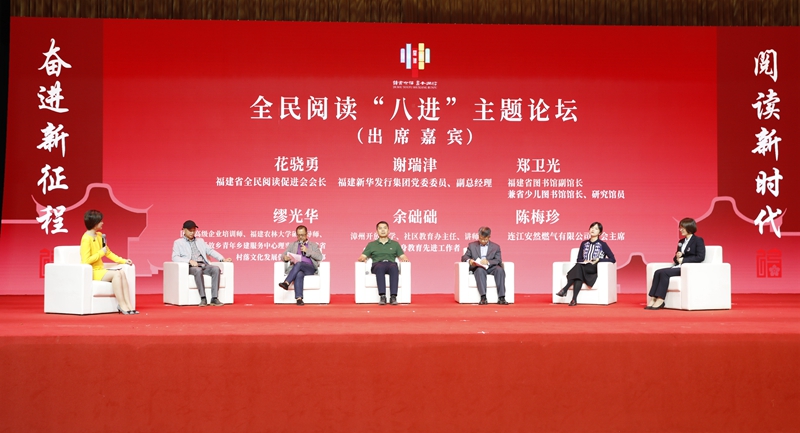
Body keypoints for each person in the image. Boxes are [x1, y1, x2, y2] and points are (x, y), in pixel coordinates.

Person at [80, 209, 136, 315]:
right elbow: (86, 261)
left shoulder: (100, 236)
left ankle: (129, 304)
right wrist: (101, 252)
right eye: (100, 221)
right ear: (94, 223)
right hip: (92, 271)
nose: (102, 223)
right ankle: (121, 304)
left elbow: (108, 253)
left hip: (100, 270)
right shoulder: (86, 239)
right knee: (117, 274)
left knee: (121, 272)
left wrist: (123, 260)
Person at [646, 217, 706, 310]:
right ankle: (653, 297)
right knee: (658, 272)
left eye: (682, 228)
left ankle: (661, 299)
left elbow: (700, 257)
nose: (680, 230)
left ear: (689, 228)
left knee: (664, 273)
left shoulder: (698, 240)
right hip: (679, 266)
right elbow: (675, 259)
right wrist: (677, 257)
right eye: (680, 227)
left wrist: (684, 260)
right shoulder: (681, 242)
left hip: (688, 268)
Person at [171, 220, 232, 307]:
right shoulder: (178, 243)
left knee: (216, 269)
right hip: (191, 266)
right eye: (190, 230)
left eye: (194, 230)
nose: (192, 232)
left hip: (203, 264)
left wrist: (222, 259)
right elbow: (175, 257)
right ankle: (203, 298)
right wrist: (189, 261)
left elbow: (210, 251)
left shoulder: (200, 241)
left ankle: (214, 298)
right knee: (198, 270)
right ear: (184, 230)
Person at [556, 222, 616, 306]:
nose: (593, 230)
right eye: (592, 228)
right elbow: (579, 259)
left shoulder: (603, 244)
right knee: (578, 276)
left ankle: (565, 289)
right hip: (583, 266)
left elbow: (612, 259)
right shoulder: (584, 243)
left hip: (593, 268)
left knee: (578, 267)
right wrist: (585, 260)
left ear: (600, 233)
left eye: (596, 229)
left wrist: (598, 260)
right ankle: (574, 300)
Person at [357, 221, 409, 305]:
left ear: (389, 230)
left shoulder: (395, 244)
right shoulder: (371, 244)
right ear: (377, 231)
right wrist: (362, 259)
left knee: (394, 267)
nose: (383, 230)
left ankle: (393, 297)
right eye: (380, 228)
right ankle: (382, 296)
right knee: (380, 267)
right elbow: (362, 256)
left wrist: (405, 259)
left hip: (391, 264)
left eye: (385, 228)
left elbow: (403, 256)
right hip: (377, 265)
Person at [461, 226, 509, 305]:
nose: (482, 241)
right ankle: (483, 297)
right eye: (481, 239)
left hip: (491, 267)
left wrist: (488, 262)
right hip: (479, 267)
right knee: (479, 271)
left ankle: (502, 297)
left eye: (485, 239)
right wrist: (470, 261)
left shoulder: (496, 247)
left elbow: (498, 260)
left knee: (500, 270)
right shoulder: (472, 245)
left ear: (489, 237)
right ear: (478, 236)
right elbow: (464, 257)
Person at [278, 225, 323, 306]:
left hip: (309, 268)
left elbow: (320, 257)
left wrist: (307, 251)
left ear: (307, 234)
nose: (300, 237)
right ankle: (299, 298)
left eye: (302, 235)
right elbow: (282, 256)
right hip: (297, 269)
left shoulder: (313, 245)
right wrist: (285, 257)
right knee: (299, 274)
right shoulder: (292, 245)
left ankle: (287, 282)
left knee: (299, 263)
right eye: (298, 235)